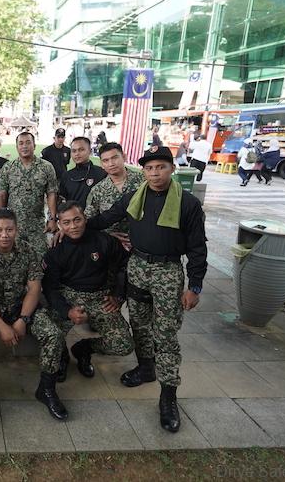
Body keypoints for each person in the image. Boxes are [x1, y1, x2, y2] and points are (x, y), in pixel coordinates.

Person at [87, 145, 207, 433]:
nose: (155, 173)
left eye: (161, 167)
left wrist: (195, 286)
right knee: (139, 325)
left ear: (172, 169)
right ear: (143, 171)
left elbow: (197, 248)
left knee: (165, 333)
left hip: (168, 272)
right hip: (137, 268)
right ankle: (145, 368)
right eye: (149, 168)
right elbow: (106, 218)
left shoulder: (188, 204)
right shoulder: (134, 197)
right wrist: (73, 226)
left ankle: (168, 396)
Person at [0, 209, 69, 421]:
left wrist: (23, 319)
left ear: (17, 229)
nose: (4, 235)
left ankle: (47, 389)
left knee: (54, 334)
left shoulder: (28, 251)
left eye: (9, 229)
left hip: (20, 304)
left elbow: (34, 288)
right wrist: (2, 326)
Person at [42, 201, 133, 381]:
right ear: (59, 225)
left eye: (77, 220)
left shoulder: (104, 241)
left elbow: (125, 265)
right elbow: (50, 288)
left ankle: (83, 349)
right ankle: (62, 357)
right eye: (66, 222)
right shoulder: (55, 250)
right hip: (69, 296)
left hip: (100, 297)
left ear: (85, 218)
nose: (73, 226)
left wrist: (118, 295)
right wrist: (67, 311)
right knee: (49, 333)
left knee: (123, 344)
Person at [0, 131, 58, 257]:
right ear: (17, 147)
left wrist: (52, 219)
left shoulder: (46, 167)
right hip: (13, 226)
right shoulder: (8, 167)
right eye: (21, 143)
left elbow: (51, 194)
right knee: (13, 259)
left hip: (37, 225)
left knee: (39, 258)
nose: (24, 146)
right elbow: (1, 195)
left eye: (28, 143)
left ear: (34, 145)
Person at [58, 136, 107, 206]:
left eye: (81, 150)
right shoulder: (66, 176)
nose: (77, 154)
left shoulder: (101, 173)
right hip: (72, 213)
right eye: (74, 151)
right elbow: (62, 199)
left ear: (90, 151)